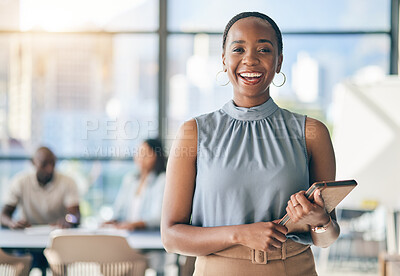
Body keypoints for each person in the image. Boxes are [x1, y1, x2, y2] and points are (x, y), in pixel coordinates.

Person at [161, 11, 340, 275]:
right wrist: (240, 234)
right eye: (238, 49)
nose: (250, 60)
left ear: (278, 62)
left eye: (264, 50)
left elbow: (327, 237)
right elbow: (171, 237)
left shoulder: (311, 132)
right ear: (224, 60)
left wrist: (320, 220)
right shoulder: (194, 132)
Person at [1, 146, 80, 229]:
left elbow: (75, 215)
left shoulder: (68, 182)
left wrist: (68, 220)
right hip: (27, 234)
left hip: (59, 233)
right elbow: (3, 216)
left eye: (52, 163)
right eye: (44, 164)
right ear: (33, 163)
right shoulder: (20, 182)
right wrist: (12, 223)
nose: (49, 169)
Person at [106, 138, 166, 231]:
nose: (141, 157)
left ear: (157, 156)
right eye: (139, 153)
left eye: (146, 154)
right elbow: (119, 210)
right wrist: (111, 221)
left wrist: (134, 225)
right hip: (127, 232)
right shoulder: (130, 179)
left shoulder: (162, 180)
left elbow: (158, 217)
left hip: (150, 235)